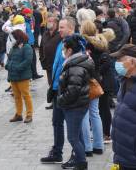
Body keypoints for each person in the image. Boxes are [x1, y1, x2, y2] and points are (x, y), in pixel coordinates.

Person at [40, 17, 76, 166]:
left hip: (67, 90)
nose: (59, 30)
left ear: (71, 28)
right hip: (56, 89)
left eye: (62, 27)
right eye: (59, 27)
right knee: (56, 122)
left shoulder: (74, 44)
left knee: (73, 126)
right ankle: (57, 152)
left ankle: (76, 155)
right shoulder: (61, 42)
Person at [58, 34, 93, 170]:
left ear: (70, 50)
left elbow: (73, 90)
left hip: (75, 105)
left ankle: (81, 163)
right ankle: (81, 161)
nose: (62, 51)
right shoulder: (75, 62)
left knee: (72, 138)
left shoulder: (75, 67)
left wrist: (61, 100)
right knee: (77, 134)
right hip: (78, 104)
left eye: (63, 48)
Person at [80, 21, 106, 156]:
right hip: (96, 79)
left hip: (85, 79)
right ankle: (99, 145)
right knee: (95, 113)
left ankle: (87, 147)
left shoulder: (84, 44)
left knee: (84, 114)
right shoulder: (100, 43)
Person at [6, 29, 34, 123]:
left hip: (22, 76)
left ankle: (29, 114)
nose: (12, 39)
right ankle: (18, 114)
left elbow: (28, 60)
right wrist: (8, 65)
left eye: (13, 37)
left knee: (26, 95)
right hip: (13, 75)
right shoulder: (14, 47)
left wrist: (18, 67)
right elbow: (9, 58)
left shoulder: (26, 47)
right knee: (16, 96)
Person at [39, 13, 61, 109]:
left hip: (57, 64)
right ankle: (54, 102)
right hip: (48, 64)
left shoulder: (60, 34)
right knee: (51, 83)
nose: (49, 23)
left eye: (51, 21)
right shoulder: (45, 33)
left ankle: (59, 102)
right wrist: (41, 58)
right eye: (48, 21)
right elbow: (41, 47)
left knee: (58, 84)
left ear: (56, 23)